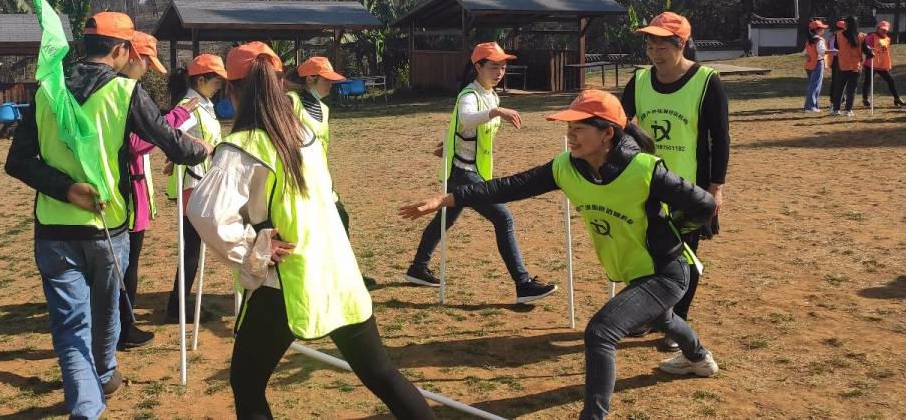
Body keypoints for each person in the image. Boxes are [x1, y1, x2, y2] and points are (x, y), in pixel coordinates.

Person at [399, 90, 718, 420]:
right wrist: (446, 199)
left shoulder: (645, 169)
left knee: (601, 332)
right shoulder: (566, 168)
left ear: (607, 133)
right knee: (662, 318)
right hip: (633, 268)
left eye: (579, 129)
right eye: (569, 128)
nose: (571, 136)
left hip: (666, 271)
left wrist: (672, 229)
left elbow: (704, 205)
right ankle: (698, 358)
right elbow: (509, 186)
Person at [186, 42, 435, 420]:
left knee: (247, 384)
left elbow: (205, 213)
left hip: (284, 286)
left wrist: (253, 250)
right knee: (383, 375)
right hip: (338, 273)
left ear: (231, 91)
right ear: (280, 84)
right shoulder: (307, 136)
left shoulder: (239, 149)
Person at [5, 12, 210, 420]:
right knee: (106, 312)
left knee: (70, 327)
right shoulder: (125, 91)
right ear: (120, 49)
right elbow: (169, 140)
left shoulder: (47, 89)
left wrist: (65, 189)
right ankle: (89, 401)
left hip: (54, 231)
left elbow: (18, 161)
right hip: (107, 230)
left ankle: (102, 376)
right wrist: (201, 149)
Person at [403, 42, 556, 304]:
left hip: (471, 171)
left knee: (445, 219)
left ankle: (418, 268)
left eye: (503, 67)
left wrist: (451, 144)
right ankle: (523, 285)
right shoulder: (470, 95)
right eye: (494, 66)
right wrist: (496, 112)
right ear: (478, 67)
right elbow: (466, 118)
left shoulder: (491, 95)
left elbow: (464, 129)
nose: (500, 72)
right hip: (463, 173)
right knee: (503, 218)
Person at [621, 11, 728, 352]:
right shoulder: (639, 81)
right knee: (645, 253)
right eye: (650, 44)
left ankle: (676, 320)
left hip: (689, 189)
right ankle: (648, 313)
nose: (654, 52)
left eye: (662, 45)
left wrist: (715, 188)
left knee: (683, 257)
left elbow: (720, 138)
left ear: (681, 44)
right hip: (645, 183)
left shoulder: (706, 81)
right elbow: (618, 124)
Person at [117, 31, 193, 351]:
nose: (147, 68)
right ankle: (123, 327)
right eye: (146, 61)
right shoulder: (124, 93)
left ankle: (121, 324)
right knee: (126, 263)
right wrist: (175, 120)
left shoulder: (122, 90)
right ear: (131, 56)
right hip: (126, 191)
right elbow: (136, 142)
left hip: (133, 189)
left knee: (126, 262)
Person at [288, 56, 377, 290]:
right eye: (326, 80)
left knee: (340, 218)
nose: (330, 85)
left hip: (321, 178)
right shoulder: (291, 102)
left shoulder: (324, 109)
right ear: (310, 79)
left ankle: (346, 275)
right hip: (298, 179)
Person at [163, 53, 228, 323]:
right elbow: (172, 134)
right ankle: (178, 307)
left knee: (194, 245)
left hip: (200, 180)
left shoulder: (204, 103)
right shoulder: (189, 105)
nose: (219, 86)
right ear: (201, 80)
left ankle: (180, 303)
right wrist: (198, 148)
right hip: (192, 181)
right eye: (216, 81)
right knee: (191, 246)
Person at [862, 20, 906, 109]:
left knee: (890, 81)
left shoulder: (887, 39)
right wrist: (869, 50)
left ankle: (897, 98)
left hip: (882, 64)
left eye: (885, 30)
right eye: (882, 29)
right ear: (878, 28)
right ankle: (865, 99)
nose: (884, 31)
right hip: (871, 63)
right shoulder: (871, 36)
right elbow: (865, 47)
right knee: (868, 81)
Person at [829, 17, 866, 117]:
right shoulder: (862, 36)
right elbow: (866, 50)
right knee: (851, 90)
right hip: (855, 66)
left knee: (839, 88)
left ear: (846, 24)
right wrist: (871, 53)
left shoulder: (839, 35)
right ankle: (848, 110)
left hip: (842, 65)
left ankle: (836, 109)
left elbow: (837, 47)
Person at [802, 19, 829, 112]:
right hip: (818, 64)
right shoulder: (819, 40)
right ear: (818, 30)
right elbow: (822, 52)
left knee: (812, 86)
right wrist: (834, 51)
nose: (824, 30)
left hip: (809, 65)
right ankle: (810, 106)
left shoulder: (809, 40)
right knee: (815, 86)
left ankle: (812, 106)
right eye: (822, 28)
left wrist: (809, 57)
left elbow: (804, 53)